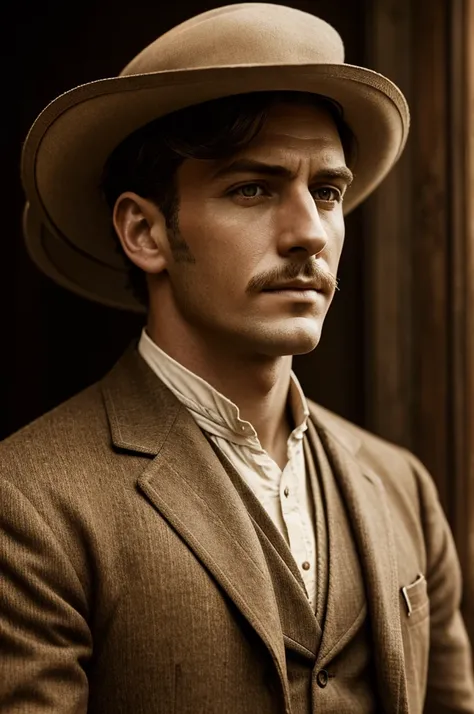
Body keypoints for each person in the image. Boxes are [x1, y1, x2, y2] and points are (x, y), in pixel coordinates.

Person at [2, 3, 473, 713]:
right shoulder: (28, 500)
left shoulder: (401, 485)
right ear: (145, 231)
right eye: (252, 189)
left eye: (327, 191)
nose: (308, 234)